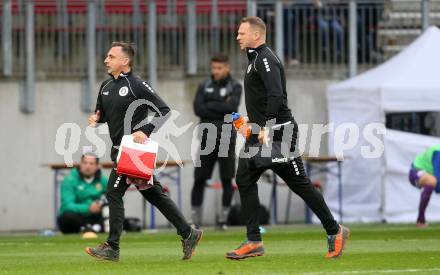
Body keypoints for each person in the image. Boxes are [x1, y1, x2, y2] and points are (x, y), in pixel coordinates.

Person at [228, 16, 349, 260]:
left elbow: (276, 96)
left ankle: (334, 230)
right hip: (262, 132)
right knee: (244, 176)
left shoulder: (265, 59)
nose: (237, 36)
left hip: (279, 133)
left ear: (257, 35)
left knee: (300, 184)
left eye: (242, 33)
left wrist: (265, 127)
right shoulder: (254, 60)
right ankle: (253, 241)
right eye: (238, 33)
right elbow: (263, 99)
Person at [85, 42, 202, 262]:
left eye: (111, 56)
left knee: (113, 192)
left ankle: (112, 247)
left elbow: (164, 111)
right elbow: (104, 114)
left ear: (125, 61)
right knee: (154, 194)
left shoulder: (137, 84)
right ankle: (188, 233)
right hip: (118, 150)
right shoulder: (105, 86)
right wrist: (97, 119)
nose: (105, 60)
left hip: (134, 151)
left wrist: (146, 130)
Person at [192, 54, 242, 230]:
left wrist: (210, 106)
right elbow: (198, 109)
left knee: (227, 179)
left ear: (227, 68)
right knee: (199, 179)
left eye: (219, 68)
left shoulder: (235, 86)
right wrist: (221, 105)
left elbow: (232, 108)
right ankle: (195, 221)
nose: (216, 71)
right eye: (214, 68)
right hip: (207, 138)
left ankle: (223, 220)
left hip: (226, 138)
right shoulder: (204, 85)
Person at [58, 152, 107, 234]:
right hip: (78, 217)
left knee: (114, 213)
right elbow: (66, 205)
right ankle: (91, 228)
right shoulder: (69, 180)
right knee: (66, 217)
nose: (87, 166)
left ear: (97, 166)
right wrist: (88, 208)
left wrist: (101, 205)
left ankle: (92, 228)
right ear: (80, 164)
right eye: (85, 163)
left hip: (97, 216)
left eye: (91, 164)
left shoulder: (103, 180)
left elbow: (116, 199)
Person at [409, 144, 440, 227]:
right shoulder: (438, 152)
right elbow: (437, 176)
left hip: (428, 174)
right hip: (416, 172)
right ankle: (421, 220)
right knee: (432, 181)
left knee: (433, 181)